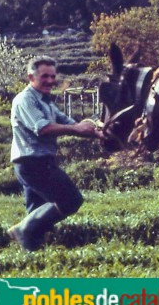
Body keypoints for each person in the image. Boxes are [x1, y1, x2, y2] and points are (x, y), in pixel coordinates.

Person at [7, 55, 105, 252]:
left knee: (36, 211)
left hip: (38, 161)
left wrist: (98, 132)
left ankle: (32, 255)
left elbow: (70, 123)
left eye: (53, 77)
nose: (50, 81)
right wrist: (78, 130)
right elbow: (43, 128)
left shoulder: (46, 103)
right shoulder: (25, 100)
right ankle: (21, 230)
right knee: (71, 200)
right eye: (45, 76)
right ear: (30, 77)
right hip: (33, 163)